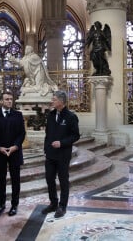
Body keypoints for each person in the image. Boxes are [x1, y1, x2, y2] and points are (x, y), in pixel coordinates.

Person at [41, 90, 80, 218]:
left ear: (61, 101)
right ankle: (53, 203)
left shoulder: (71, 116)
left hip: (63, 154)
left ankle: (62, 206)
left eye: (54, 99)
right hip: (50, 155)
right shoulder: (50, 115)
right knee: (49, 179)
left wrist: (62, 143)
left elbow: (75, 136)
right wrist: (46, 149)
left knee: (63, 180)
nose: (51, 101)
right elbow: (48, 134)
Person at [0, 91, 26, 216]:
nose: (9, 101)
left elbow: (22, 133)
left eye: (11, 99)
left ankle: (14, 205)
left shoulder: (18, 115)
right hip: (0, 152)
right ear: (1, 101)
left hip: (14, 152)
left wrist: (16, 146)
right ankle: (1, 204)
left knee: (16, 180)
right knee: (1, 180)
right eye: (7, 99)